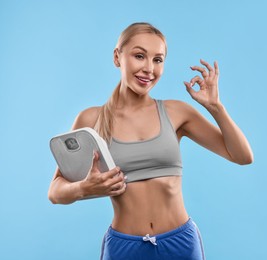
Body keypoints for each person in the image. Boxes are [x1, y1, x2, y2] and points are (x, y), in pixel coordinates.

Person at [48, 22, 253, 260]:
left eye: (158, 60)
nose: (149, 69)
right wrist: (83, 188)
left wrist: (216, 108)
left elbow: (242, 156)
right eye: (139, 56)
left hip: (181, 244)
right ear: (117, 57)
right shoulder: (91, 119)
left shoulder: (176, 112)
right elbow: (55, 191)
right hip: (124, 248)